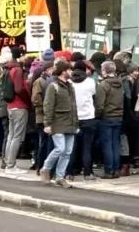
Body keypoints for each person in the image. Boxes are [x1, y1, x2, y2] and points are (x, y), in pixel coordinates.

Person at [41, 59, 78, 188]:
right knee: (60, 149)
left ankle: (60, 177)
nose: (71, 71)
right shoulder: (53, 86)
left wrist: (76, 124)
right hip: (57, 123)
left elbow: (74, 107)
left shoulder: (70, 86)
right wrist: (47, 124)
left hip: (70, 123)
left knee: (67, 152)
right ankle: (46, 168)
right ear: (63, 71)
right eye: (69, 69)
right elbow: (48, 106)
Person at [2, 54, 31, 174]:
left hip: (10, 106)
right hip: (19, 106)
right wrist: (28, 101)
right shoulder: (18, 70)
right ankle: (11, 165)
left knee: (11, 135)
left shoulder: (8, 70)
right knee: (17, 136)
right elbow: (19, 89)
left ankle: (8, 162)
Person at [95, 61, 124, 179]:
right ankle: (116, 169)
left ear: (104, 71)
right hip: (118, 116)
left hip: (106, 117)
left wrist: (98, 115)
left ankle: (108, 170)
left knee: (107, 144)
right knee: (116, 144)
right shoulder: (120, 83)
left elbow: (100, 105)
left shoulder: (103, 85)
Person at [68, 61, 97, 181]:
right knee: (87, 147)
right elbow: (94, 94)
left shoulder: (69, 82)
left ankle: (70, 173)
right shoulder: (90, 82)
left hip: (73, 117)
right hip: (88, 117)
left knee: (72, 147)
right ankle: (88, 173)